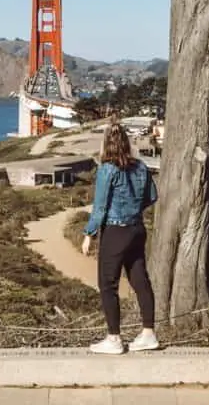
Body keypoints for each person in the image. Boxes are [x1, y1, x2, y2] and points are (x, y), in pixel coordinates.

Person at [81, 118, 159, 354]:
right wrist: (134, 209)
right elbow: (152, 196)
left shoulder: (107, 169)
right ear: (126, 143)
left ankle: (114, 338)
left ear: (106, 144)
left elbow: (100, 207)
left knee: (107, 284)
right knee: (140, 280)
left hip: (115, 231)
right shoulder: (141, 166)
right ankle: (148, 333)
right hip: (137, 229)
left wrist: (89, 234)